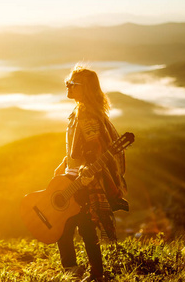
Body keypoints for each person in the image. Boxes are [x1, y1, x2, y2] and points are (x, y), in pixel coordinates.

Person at [53, 65, 128, 282]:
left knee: (73, 227)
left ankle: (83, 272)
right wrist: (63, 164)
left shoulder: (86, 114)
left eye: (72, 84)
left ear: (84, 89)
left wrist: (88, 173)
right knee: (76, 227)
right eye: (67, 83)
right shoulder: (80, 111)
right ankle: (87, 272)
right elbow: (77, 148)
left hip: (81, 180)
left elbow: (94, 147)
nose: (68, 87)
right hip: (72, 175)